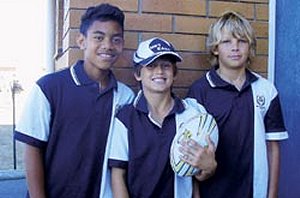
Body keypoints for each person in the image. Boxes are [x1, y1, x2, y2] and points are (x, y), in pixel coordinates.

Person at [14, 3, 134, 198]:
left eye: (116, 39)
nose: (107, 45)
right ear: (81, 41)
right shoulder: (49, 88)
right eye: (98, 37)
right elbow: (32, 150)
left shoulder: (125, 96)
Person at [187, 11, 289, 198]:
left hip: (253, 191)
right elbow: (192, 147)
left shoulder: (266, 90)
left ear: (250, 47)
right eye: (227, 42)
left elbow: (272, 147)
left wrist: (272, 194)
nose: (235, 47)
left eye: (241, 41)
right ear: (215, 48)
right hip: (213, 190)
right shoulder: (199, 91)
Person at [108, 37, 217, 198]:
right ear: (138, 74)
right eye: (151, 66)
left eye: (166, 65)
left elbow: (196, 176)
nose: (159, 71)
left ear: (174, 73)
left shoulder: (192, 115)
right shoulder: (125, 118)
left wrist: (209, 167)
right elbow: (118, 175)